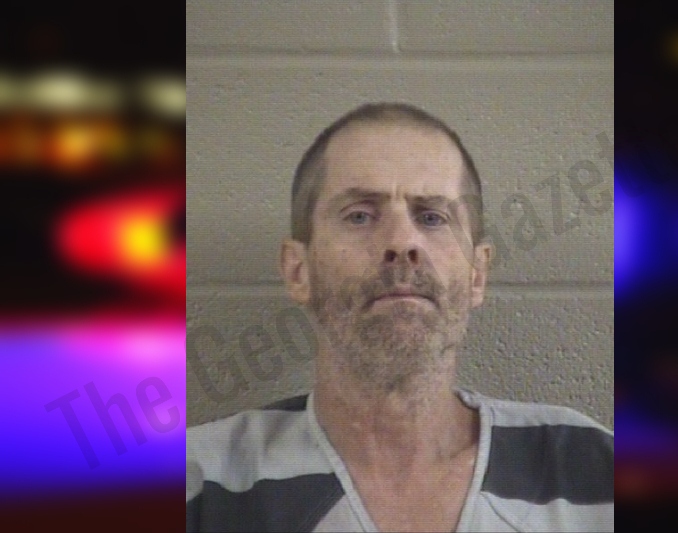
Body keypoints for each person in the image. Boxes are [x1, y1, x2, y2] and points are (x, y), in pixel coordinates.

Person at [186, 102, 613, 532]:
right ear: (299, 271)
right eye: (359, 216)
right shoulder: (200, 484)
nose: (403, 241)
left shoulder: (589, 468)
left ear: (477, 273)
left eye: (432, 217)